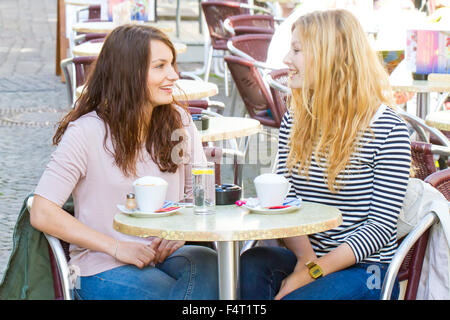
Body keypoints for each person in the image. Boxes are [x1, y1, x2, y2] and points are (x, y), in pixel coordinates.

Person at [30, 24, 219, 300]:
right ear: (128, 72)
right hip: (102, 264)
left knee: (212, 267)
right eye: (160, 66)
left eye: (172, 65)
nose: (173, 75)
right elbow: (42, 211)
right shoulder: (86, 131)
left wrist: (179, 233)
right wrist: (117, 247)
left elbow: (201, 194)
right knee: (175, 294)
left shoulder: (179, 122)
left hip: (167, 255)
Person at [240, 9, 411, 300]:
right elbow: (282, 201)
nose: (286, 60)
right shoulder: (296, 118)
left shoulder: (388, 128)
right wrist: (307, 263)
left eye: (296, 50)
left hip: (366, 270)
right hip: (309, 257)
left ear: (329, 56)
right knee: (252, 264)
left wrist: (313, 272)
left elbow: (380, 227)